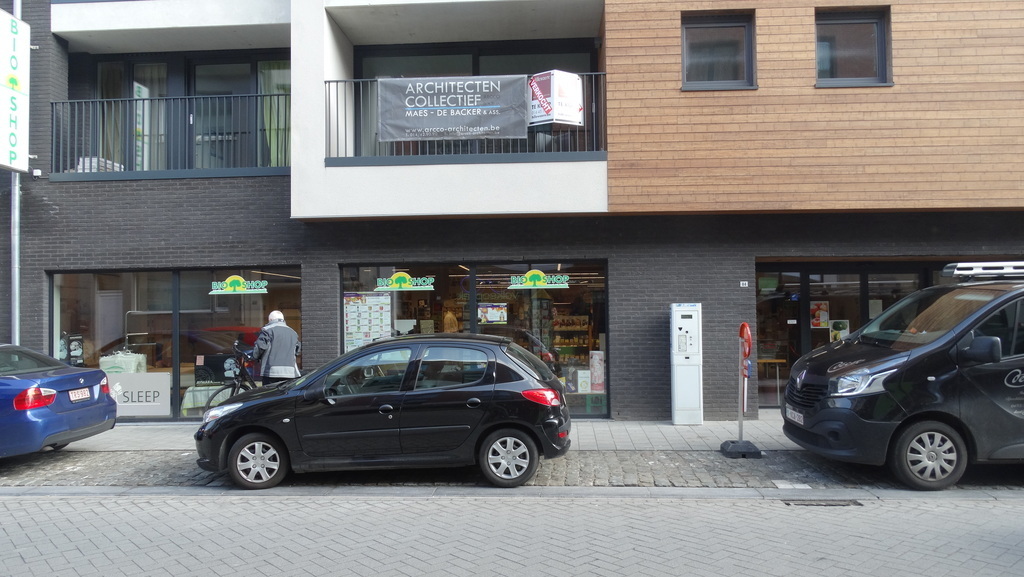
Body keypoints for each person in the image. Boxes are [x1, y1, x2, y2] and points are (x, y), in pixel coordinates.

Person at [252, 310, 301, 386]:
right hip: (290, 373)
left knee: (270, 396)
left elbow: (260, 347)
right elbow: (297, 351)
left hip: (271, 372)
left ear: (270, 320)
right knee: (285, 396)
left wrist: (255, 357)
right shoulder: (293, 333)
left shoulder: (267, 330)